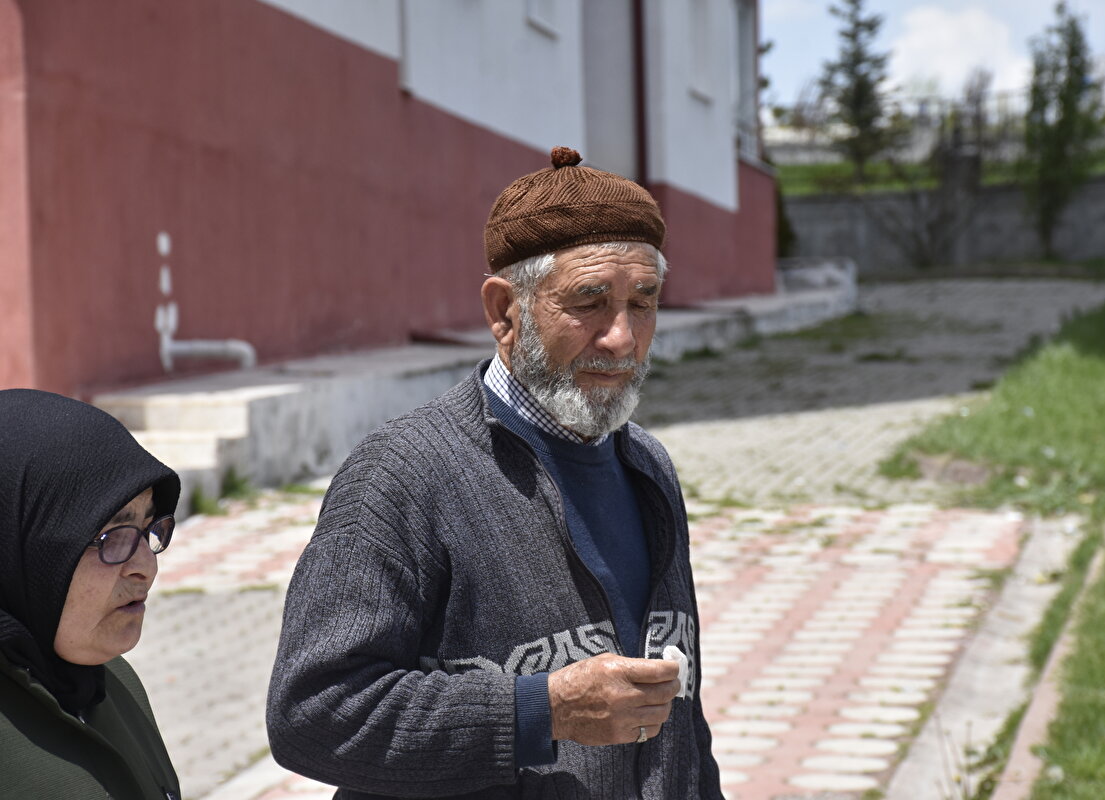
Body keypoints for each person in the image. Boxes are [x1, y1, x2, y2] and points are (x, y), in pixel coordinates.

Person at [267, 147, 723, 798]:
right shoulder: (404, 474)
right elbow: (313, 714)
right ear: (504, 311)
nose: (622, 337)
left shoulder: (647, 467)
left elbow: (682, 725)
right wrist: (543, 711)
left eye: (643, 302)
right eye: (589, 302)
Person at [0, 389, 182, 799]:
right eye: (112, 535)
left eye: (147, 528)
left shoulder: (111, 679)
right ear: (23, 547)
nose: (146, 567)